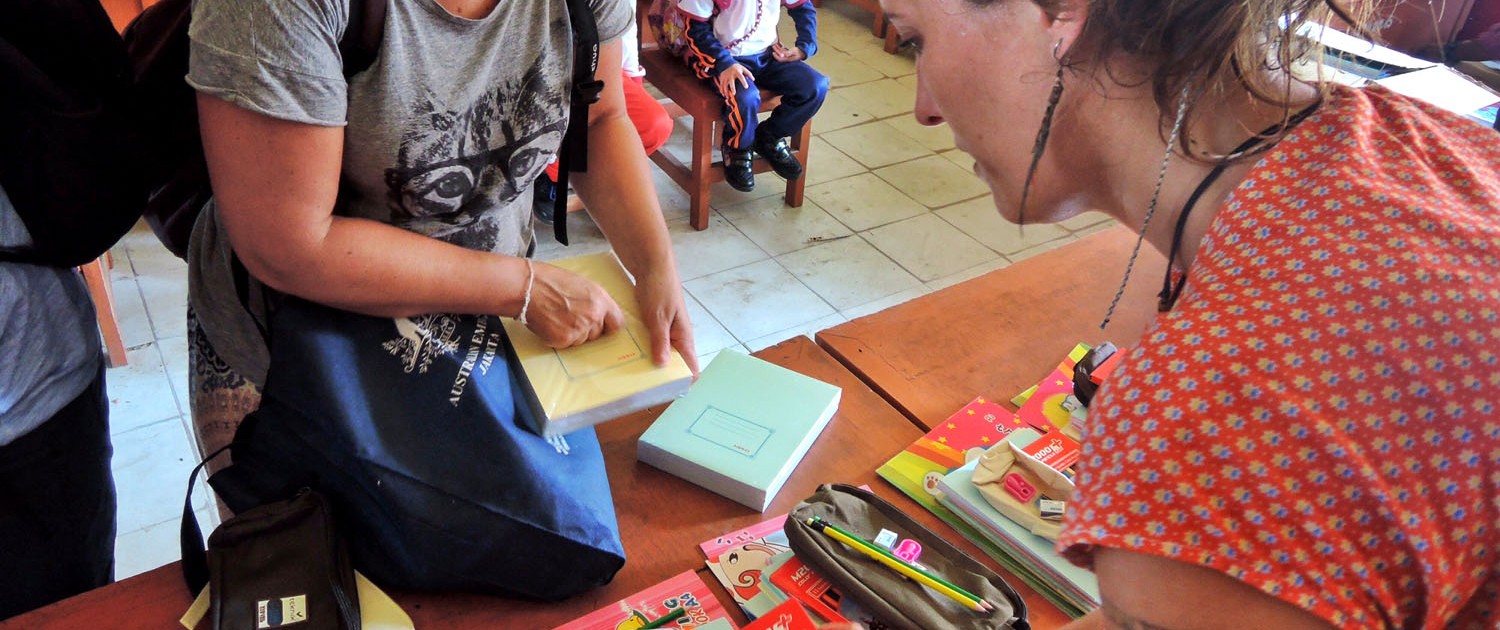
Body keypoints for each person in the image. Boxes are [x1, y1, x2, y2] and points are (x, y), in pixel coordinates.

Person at [881, 0, 1500, 627]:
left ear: (1065, 13)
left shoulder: (1220, 408)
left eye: (915, 39)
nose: (924, 108)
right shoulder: (1422, 145)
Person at [184, 0, 699, 469]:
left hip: (493, 319)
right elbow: (291, 246)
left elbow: (600, 117)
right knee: (327, 534)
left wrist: (656, 265)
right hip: (309, 347)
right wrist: (523, 289)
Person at [534, 18, 676, 225]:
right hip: (538, 67)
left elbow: (626, 30)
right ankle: (549, 173)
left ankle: (585, 177)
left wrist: (634, 85)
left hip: (598, 65)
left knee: (655, 124)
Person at [678, 0, 829, 192]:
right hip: (722, 61)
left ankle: (769, 136)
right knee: (746, 98)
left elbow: (802, 7)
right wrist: (724, 62)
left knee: (815, 86)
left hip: (768, 56)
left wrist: (805, 46)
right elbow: (694, 28)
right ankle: (737, 149)